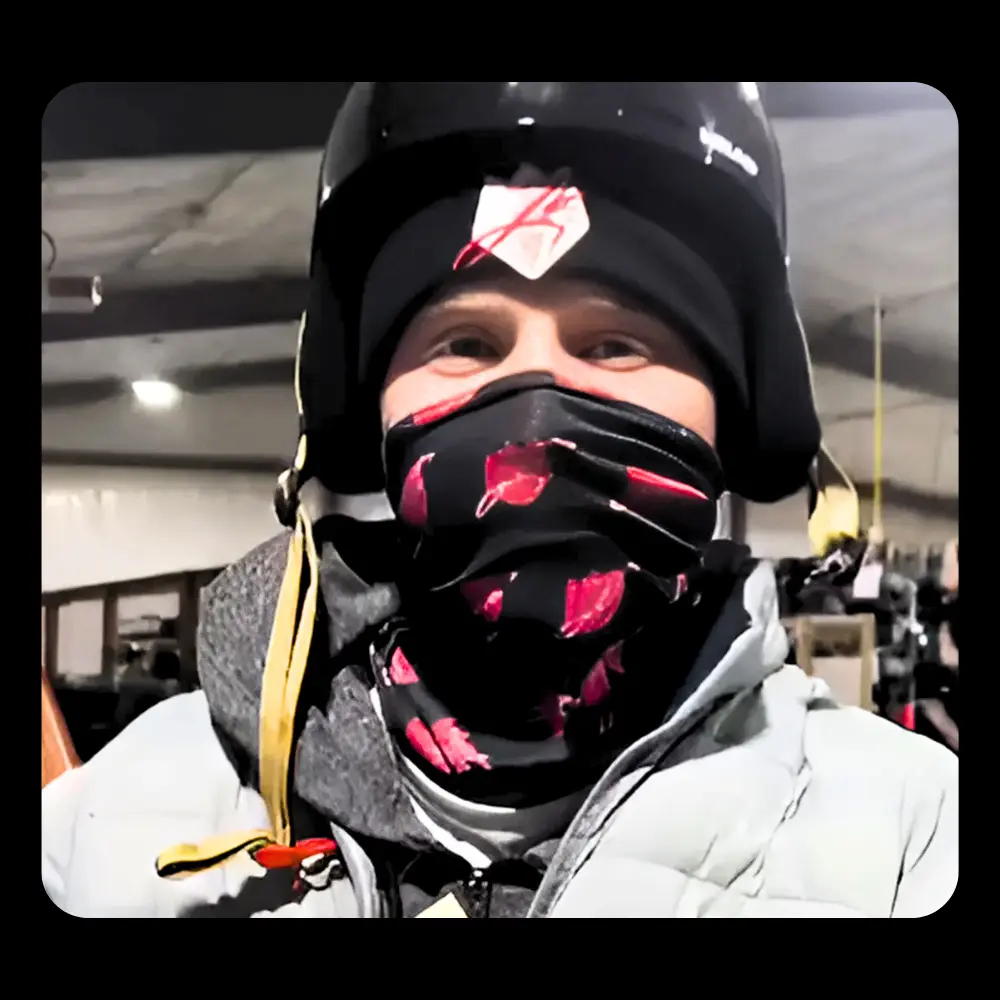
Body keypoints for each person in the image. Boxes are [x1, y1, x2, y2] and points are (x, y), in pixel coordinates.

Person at [41, 83, 957, 918]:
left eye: (614, 345)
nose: (537, 404)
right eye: (466, 344)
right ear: (365, 410)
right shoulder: (111, 826)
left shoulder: (909, 843)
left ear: (738, 414)